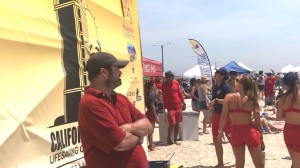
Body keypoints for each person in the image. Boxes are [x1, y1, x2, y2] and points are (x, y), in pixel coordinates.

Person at [78, 52, 153, 168]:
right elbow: (121, 143)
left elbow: (148, 126)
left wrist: (130, 127)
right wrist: (139, 136)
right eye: (117, 69)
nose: (120, 72)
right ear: (104, 72)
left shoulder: (120, 98)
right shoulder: (91, 103)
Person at [218, 75, 264, 167]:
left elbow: (223, 116)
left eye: (237, 80)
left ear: (241, 85)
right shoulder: (252, 99)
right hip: (250, 132)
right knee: (258, 163)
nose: (235, 81)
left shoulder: (228, 97)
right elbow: (258, 122)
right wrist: (261, 137)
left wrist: (220, 131)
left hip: (236, 132)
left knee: (239, 163)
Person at [209, 67, 233, 167]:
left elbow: (230, 100)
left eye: (217, 72)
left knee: (232, 139)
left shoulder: (226, 87)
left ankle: (239, 159)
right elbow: (213, 101)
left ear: (222, 75)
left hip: (226, 117)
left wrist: (217, 100)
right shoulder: (214, 87)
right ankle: (220, 163)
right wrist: (211, 111)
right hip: (216, 116)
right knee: (216, 139)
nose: (215, 73)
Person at [277, 72, 300, 167]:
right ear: (297, 81)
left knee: (295, 163)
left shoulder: (283, 98)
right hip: (298, 131)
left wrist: (290, 115)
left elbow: (278, 117)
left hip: (288, 131)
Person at [157, 70, 186, 145]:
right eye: (166, 77)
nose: (167, 79)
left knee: (177, 124)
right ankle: (168, 138)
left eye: (168, 77)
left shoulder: (175, 83)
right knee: (172, 124)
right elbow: (154, 86)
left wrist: (184, 103)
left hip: (178, 106)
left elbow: (179, 94)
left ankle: (175, 139)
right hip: (170, 108)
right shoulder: (162, 85)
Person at [144, 81, 160, 151]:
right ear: (151, 86)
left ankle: (151, 144)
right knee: (151, 131)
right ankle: (151, 146)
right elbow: (152, 106)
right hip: (151, 113)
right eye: (154, 85)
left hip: (149, 112)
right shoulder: (150, 95)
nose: (155, 85)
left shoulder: (149, 94)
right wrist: (156, 117)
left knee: (150, 131)